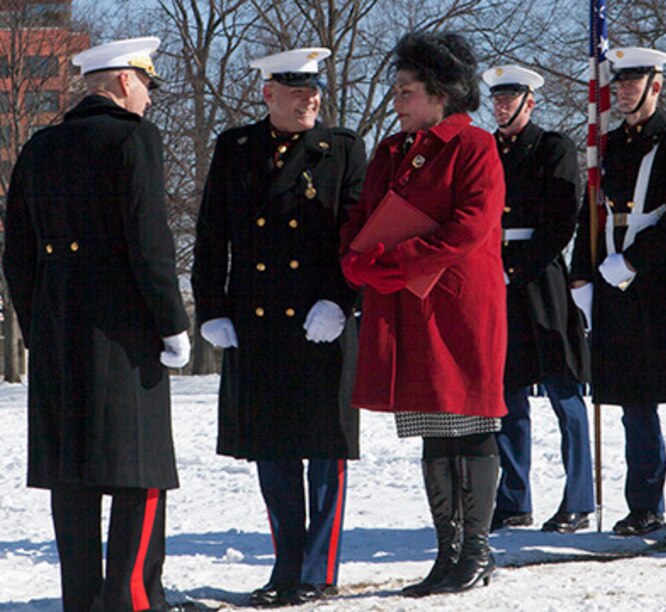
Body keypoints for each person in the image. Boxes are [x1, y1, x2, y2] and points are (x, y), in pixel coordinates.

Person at [2, 37, 190, 611]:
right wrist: (171, 322)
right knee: (140, 473)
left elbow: (18, 253)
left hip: (59, 330)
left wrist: (40, 328)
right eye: (148, 88)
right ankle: (132, 600)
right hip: (126, 333)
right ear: (125, 81)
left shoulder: (40, 146)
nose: (150, 102)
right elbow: (149, 241)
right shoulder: (134, 138)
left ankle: (81, 601)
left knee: (73, 479)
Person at [192, 48, 367, 605]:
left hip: (323, 323)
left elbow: (358, 234)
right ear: (268, 93)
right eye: (297, 90)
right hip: (259, 322)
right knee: (274, 451)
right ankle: (286, 568)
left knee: (325, 449)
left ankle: (318, 571)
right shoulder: (236, 148)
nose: (310, 98)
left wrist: (341, 300)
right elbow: (211, 234)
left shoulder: (340, 149)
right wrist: (211, 307)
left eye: (314, 89)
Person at [339, 31, 506, 596]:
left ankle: (478, 552)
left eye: (406, 90)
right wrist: (357, 259)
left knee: (471, 423)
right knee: (434, 429)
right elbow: (361, 216)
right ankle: (448, 553)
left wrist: (393, 262)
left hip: (459, 305)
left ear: (440, 93)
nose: (396, 101)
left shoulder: (474, 145)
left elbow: (471, 225)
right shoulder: (389, 150)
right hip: (409, 306)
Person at [570, 47, 666, 545]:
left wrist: (634, 260)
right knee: (634, 403)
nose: (624, 93)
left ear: (656, 86)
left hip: (663, 284)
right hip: (614, 287)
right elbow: (589, 214)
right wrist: (582, 276)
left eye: (634, 85)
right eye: (619, 86)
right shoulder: (608, 145)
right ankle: (645, 506)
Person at [480, 64, 595, 534]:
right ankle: (514, 498)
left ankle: (579, 499)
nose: (502, 106)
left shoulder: (553, 148)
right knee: (506, 396)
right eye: (498, 98)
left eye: (512, 98)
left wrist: (515, 268)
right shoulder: (487, 149)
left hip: (540, 279)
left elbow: (561, 221)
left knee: (564, 391)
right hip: (494, 275)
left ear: (531, 102)